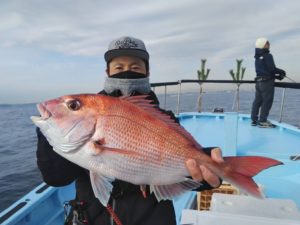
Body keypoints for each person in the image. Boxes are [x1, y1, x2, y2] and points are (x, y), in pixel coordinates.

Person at [36, 36, 223, 225]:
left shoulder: (163, 118)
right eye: (118, 67)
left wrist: (207, 174)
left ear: (147, 71)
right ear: (107, 71)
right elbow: (57, 178)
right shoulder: (87, 121)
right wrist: (50, 131)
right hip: (92, 217)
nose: (126, 72)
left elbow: (182, 162)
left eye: (135, 67)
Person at [251, 37, 286, 128]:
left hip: (258, 82)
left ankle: (253, 120)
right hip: (267, 83)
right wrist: (282, 72)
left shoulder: (257, 57)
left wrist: (276, 75)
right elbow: (271, 69)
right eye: (267, 43)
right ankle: (262, 121)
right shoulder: (268, 55)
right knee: (267, 101)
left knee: (257, 101)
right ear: (263, 44)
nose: (269, 44)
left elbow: (263, 70)